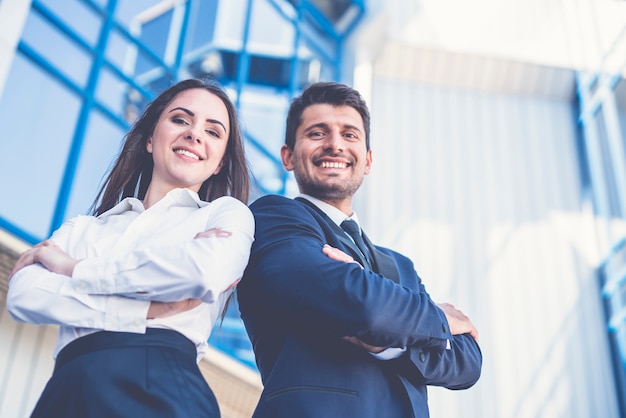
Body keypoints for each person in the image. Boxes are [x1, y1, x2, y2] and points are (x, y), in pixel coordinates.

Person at [7, 78, 254, 417]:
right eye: (181, 120)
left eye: (213, 131)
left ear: (220, 162)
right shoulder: (86, 226)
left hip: (161, 386)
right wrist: (144, 311)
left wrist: (73, 269)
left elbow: (202, 273)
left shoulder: (227, 215)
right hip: (68, 388)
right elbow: (25, 294)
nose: (194, 134)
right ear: (151, 139)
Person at [237, 81, 482, 418]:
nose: (335, 144)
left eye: (349, 135)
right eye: (317, 133)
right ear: (288, 156)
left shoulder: (400, 266)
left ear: (367, 160)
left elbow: (467, 361)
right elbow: (361, 305)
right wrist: (435, 318)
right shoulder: (273, 218)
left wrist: (387, 343)